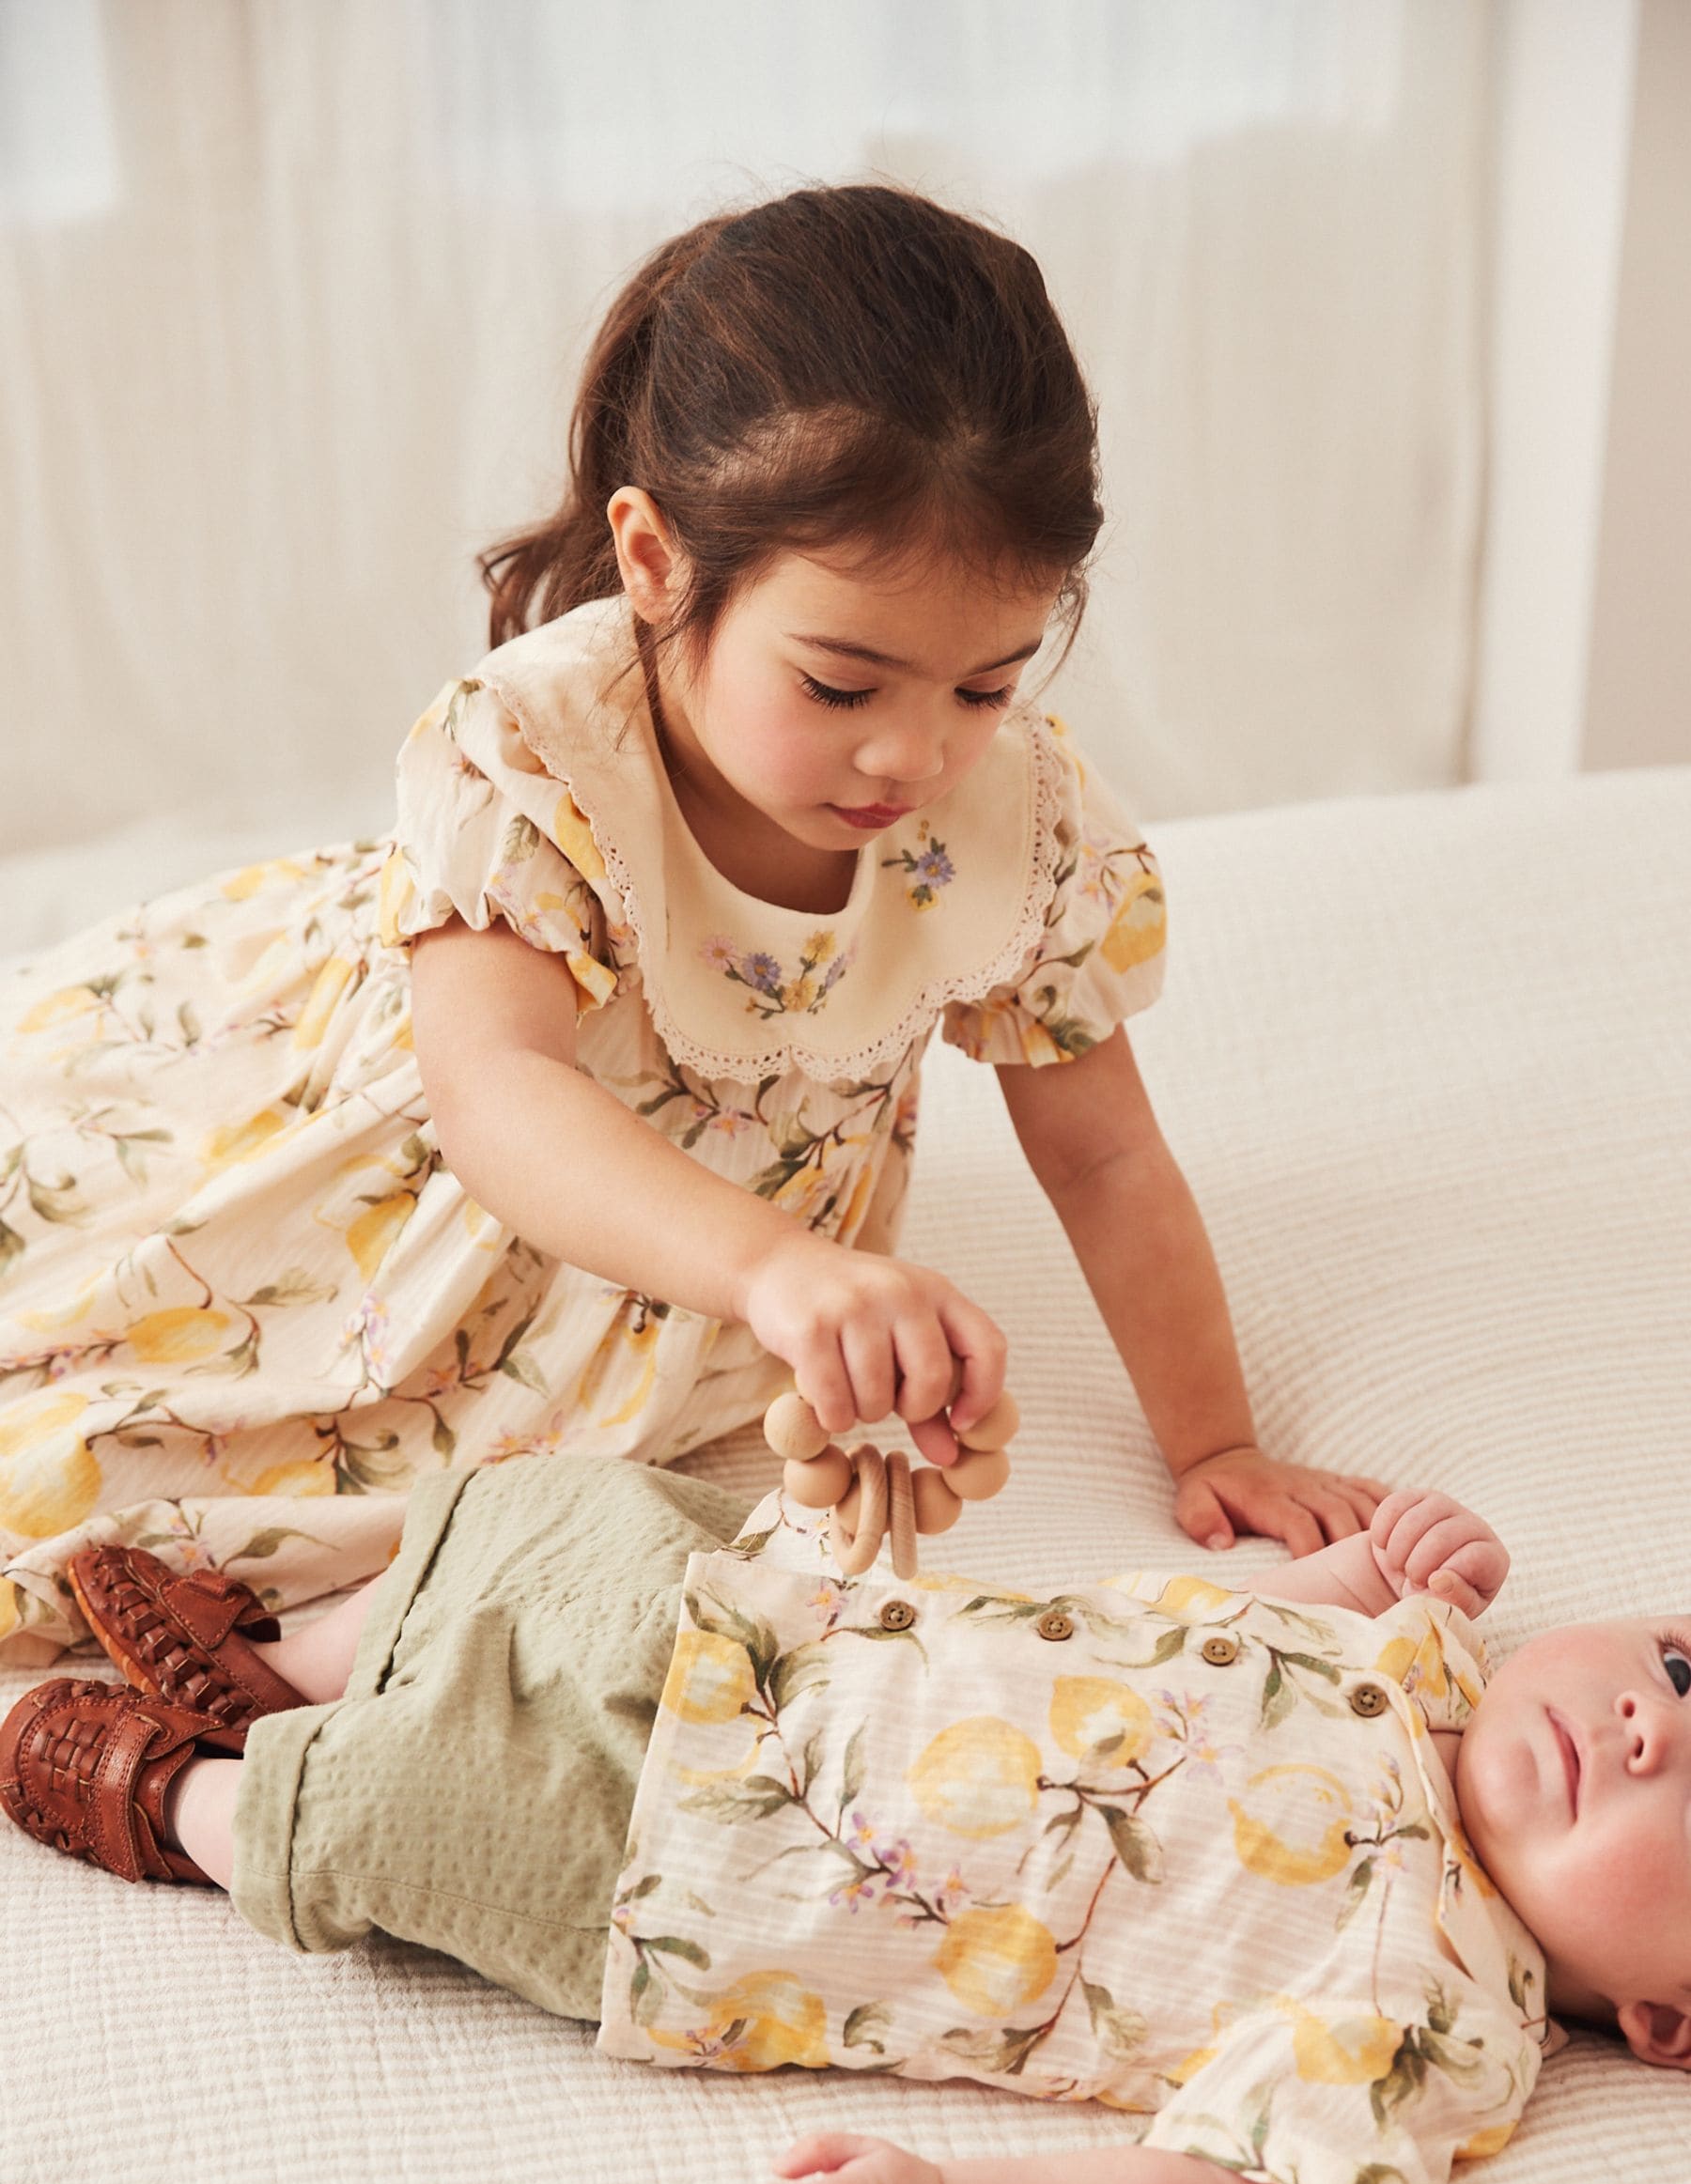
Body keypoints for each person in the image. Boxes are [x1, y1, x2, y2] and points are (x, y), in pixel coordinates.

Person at [0, 183, 1384, 1668]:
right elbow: (498, 1092)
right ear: (657, 566)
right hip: (422, 1181)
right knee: (134, 1426)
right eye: (843, 688)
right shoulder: (533, 751)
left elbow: (1106, 1155)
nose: (911, 759)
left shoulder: (1023, 826)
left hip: (695, 1283)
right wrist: (776, 1268)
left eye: (984, 685)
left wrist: (1215, 1444)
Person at [7, 1455, 1687, 2184]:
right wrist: (1366, 1569)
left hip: (706, 1876)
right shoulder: (1437, 1662)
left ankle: (199, 1804)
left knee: (426, 1816)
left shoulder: (1443, 2015)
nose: (1641, 1724)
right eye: (1683, 1671)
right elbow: (1229, 1624)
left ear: (1666, 2016)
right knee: (570, 1512)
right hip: (773, 1627)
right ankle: (290, 1659)